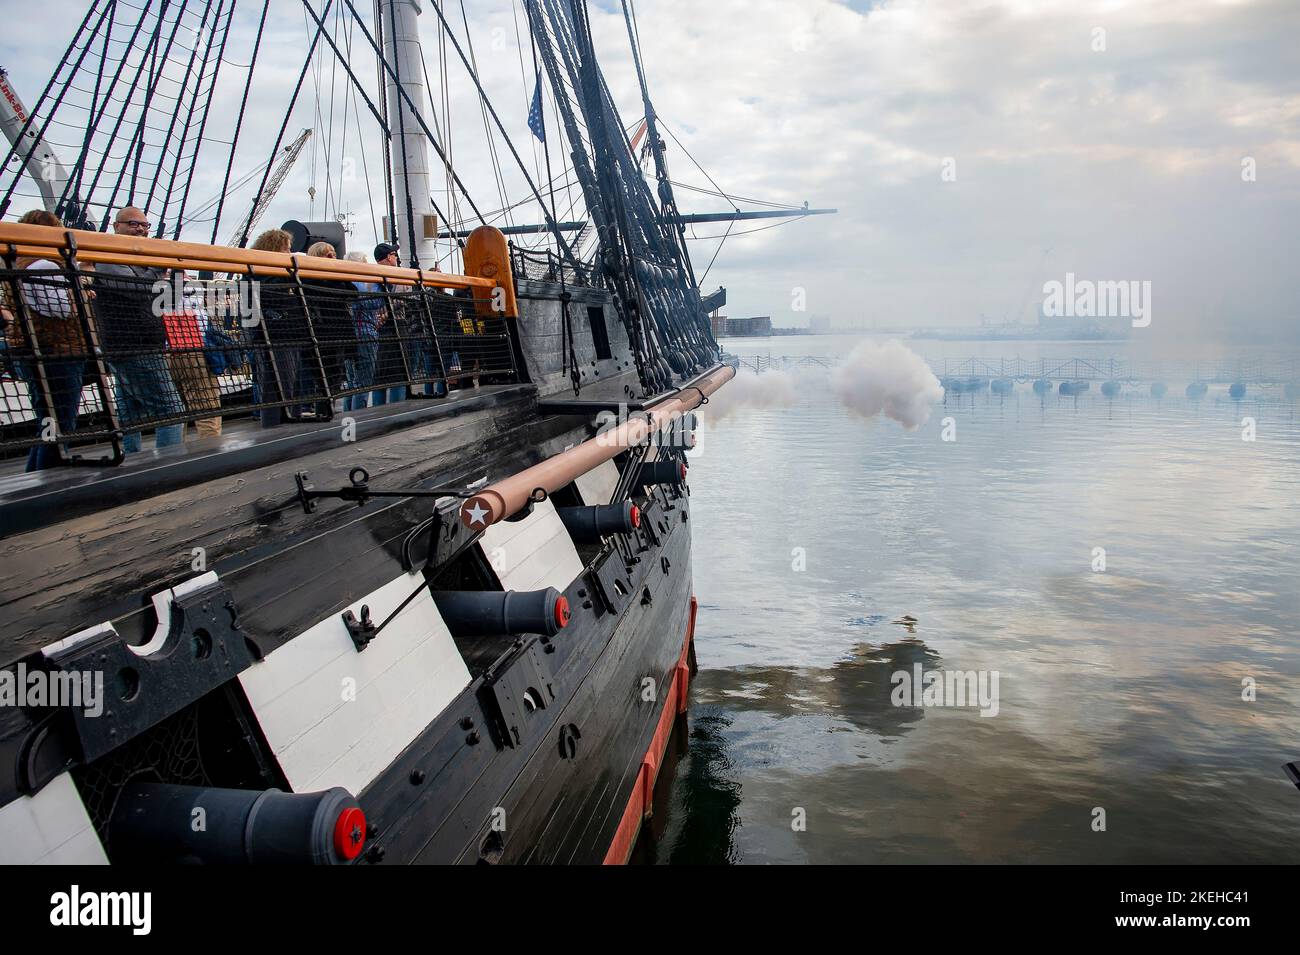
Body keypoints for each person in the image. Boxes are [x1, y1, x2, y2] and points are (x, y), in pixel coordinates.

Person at [95, 206, 185, 452]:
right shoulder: (107, 254)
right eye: (133, 223)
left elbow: (168, 302)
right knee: (171, 409)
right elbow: (135, 288)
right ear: (117, 226)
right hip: (132, 345)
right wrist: (160, 266)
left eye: (145, 225)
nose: (141, 229)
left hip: (143, 344)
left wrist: (175, 272)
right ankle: (169, 469)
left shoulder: (141, 261)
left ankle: (130, 461)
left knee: (130, 412)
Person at [2, 209, 87, 470]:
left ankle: (34, 477)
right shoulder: (45, 265)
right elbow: (62, 310)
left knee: (48, 422)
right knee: (61, 423)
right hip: (58, 350)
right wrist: (80, 295)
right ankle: (47, 479)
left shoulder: (16, 265)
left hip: (31, 349)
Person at [247, 228, 302, 427]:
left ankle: (288, 422)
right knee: (277, 384)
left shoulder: (264, 272)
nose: (289, 254)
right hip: (274, 334)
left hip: (286, 334)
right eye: (286, 250)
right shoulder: (257, 271)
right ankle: (276, 427)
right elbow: (265, 296)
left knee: (290, 383)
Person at [161, 272, 222, 438]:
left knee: (176, 412)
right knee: (206, 407)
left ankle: (175, 456)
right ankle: (212, 455)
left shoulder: (153, 284)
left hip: (167, 354)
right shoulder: (191, 285)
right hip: (192, 350)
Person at [299, 241, 357, 419]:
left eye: (333, 253)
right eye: (327, 254)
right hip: (321, 331)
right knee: (323, 374)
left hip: (337, 330)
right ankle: (323, 411)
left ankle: (327, 409)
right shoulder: (310, 277)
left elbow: (353, 293)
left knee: (336, 373)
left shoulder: (337, 277)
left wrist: (339, 272)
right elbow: (331, 292)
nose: (333, 256)